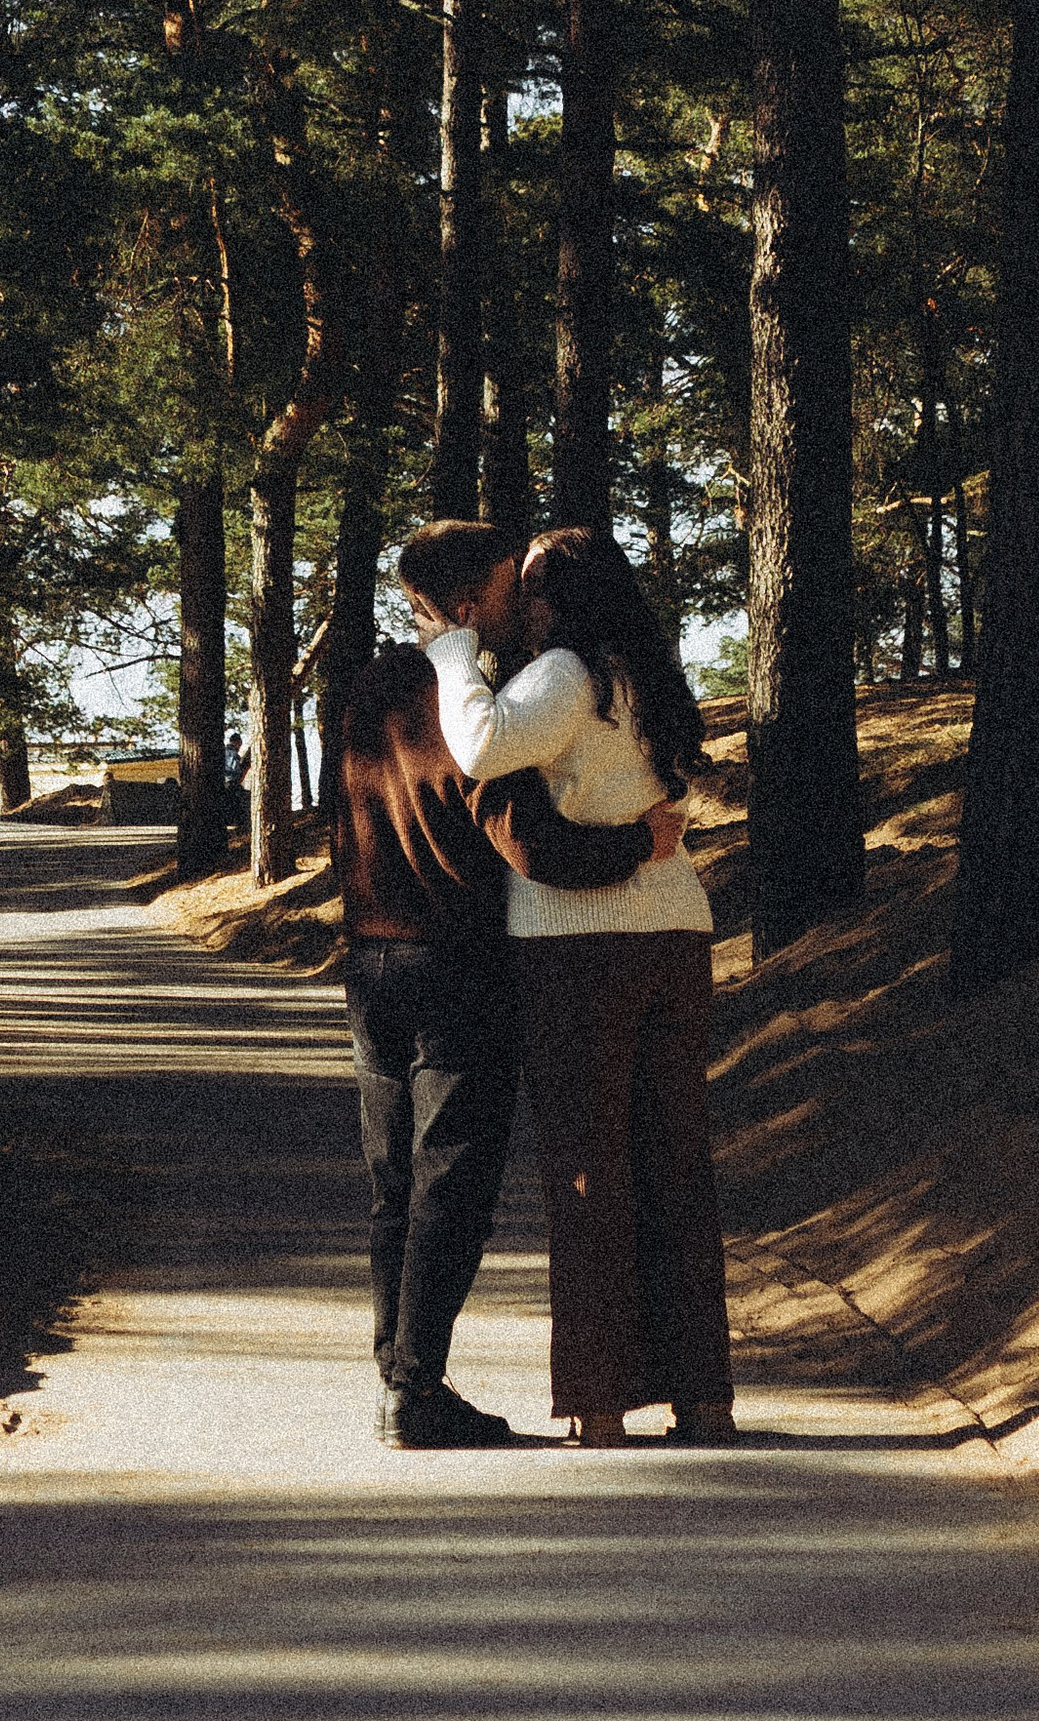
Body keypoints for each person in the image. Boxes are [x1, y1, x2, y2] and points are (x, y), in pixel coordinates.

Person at [335, 519, 688, 1449]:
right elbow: (530, 843)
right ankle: (415, 1389)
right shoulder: (472, 704)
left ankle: (395, 1377)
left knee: (390, 1183)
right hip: (459, 963)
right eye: (503, 590)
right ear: (464, 608)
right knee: (451, 1183)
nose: (518, 608)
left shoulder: (369, 689)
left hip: (369, 958)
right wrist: (640, 842)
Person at [422, 522, 735, 1448]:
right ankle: (703, 1398)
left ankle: (601, 1405)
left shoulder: (565, 675)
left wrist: (449, 650)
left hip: (577, 945)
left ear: (551, 597)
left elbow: (479, 747)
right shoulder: (649, 678)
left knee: (590, 1174)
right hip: (676, 932)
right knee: (676, 1166)